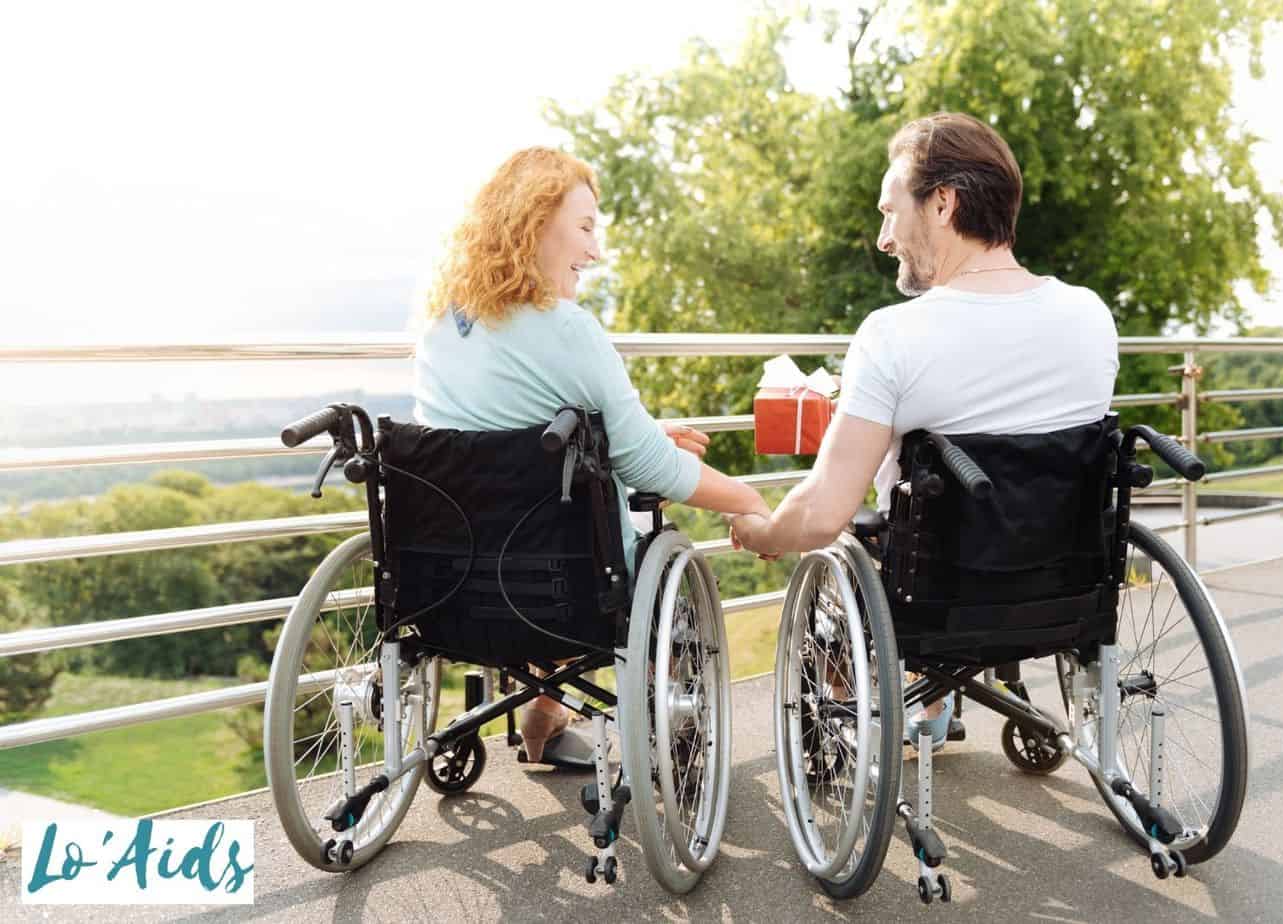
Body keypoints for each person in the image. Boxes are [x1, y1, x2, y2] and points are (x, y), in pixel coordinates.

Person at [728, 112, 1119, 750]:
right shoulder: (1090, 316)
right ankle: (935, 702)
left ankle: (889, 706)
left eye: (890, 212)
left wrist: (765, 531)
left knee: (871, 530)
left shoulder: (895, 336)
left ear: (942, 203)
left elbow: (825, 511)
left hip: (936, 598)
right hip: (1065, 592)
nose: (885, 238)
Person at [413, 147, 771, 761]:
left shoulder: (442, 325)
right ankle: (562, 714)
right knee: (605, 538)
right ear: (533, 223)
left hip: (448, 581)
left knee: (553, 527)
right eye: (584, 228)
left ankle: (543, 716)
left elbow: (503, 427)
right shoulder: (570, 330)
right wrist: (747, 499)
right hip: (558, 586)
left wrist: (645, 434)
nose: (595, 251)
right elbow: (650, 469)